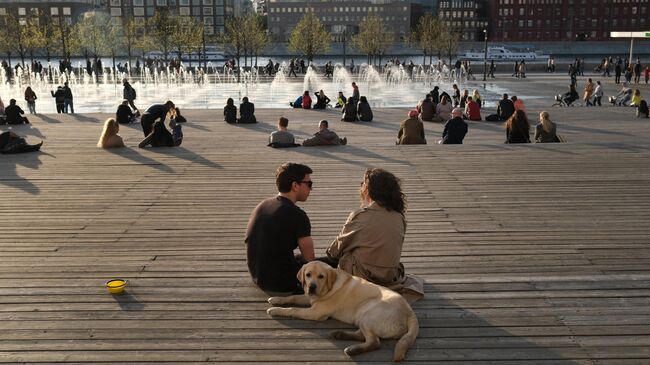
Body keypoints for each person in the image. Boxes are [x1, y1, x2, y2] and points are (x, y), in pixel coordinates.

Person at [325, 168, 424, 302]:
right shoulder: (399, 216)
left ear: (368, 189)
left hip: (364, 278)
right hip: (390, 277)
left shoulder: (361, 216)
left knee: (346, 254)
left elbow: (334, 252)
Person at [245, 163, 315, 294]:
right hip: (281, 283)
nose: (311, 189)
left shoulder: (263, 205)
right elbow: (310, 259)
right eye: (309, 184)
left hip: (258, 275)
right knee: (330, 266)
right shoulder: (298, 215)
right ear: (295, 186)